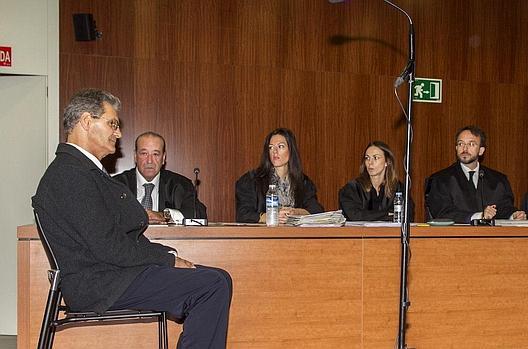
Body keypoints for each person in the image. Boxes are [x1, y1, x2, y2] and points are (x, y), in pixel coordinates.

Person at [31, 89, 231, 348]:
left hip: (113, 273)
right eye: (113, 123)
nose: (119, 133)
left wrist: (164, 255)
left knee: (219, 278)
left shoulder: (83, 170)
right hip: (100, 283)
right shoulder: (70, 175)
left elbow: (114, 239)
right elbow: (108, 246)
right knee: (211, 285)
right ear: (86, 122)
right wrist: (167, 259)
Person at [426, 125, 526, 223]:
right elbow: (442, 213)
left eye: (471, 144)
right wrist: (479, 216)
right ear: (456, 148)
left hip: (493, 237)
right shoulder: (440, 179)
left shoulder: (498, 180)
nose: (464, 149)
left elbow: (504, 208)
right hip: (456, 237)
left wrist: (513, 215)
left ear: (481, 151)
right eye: (461, 144)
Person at [114, 131, 207, 224]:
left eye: (155, 154)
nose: (149, 161)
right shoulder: (117, 184)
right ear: (135, 156)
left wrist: (165, 216)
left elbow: (198, 213)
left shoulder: (180, 184)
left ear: (163, 158)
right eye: (144, 153)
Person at [235, 128, 324, 223]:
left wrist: (294, 213)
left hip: (294, 235)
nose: (275, 152)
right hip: (263, 236)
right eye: (271, 147)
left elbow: (317, 210)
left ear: (291, 150)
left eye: (280, 146)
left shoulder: (303, 182)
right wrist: (272, 216)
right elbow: (243, 214)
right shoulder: (251, 180)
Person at [339, 141, 412, 221]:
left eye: (375, 158)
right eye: (367, 158)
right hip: (360, 233)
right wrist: (387, 214)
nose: (370, 163)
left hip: (390, 233)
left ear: (387, 162)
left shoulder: (398, 188)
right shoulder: (352, 188)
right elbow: (356, 216)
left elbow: (407, 215)